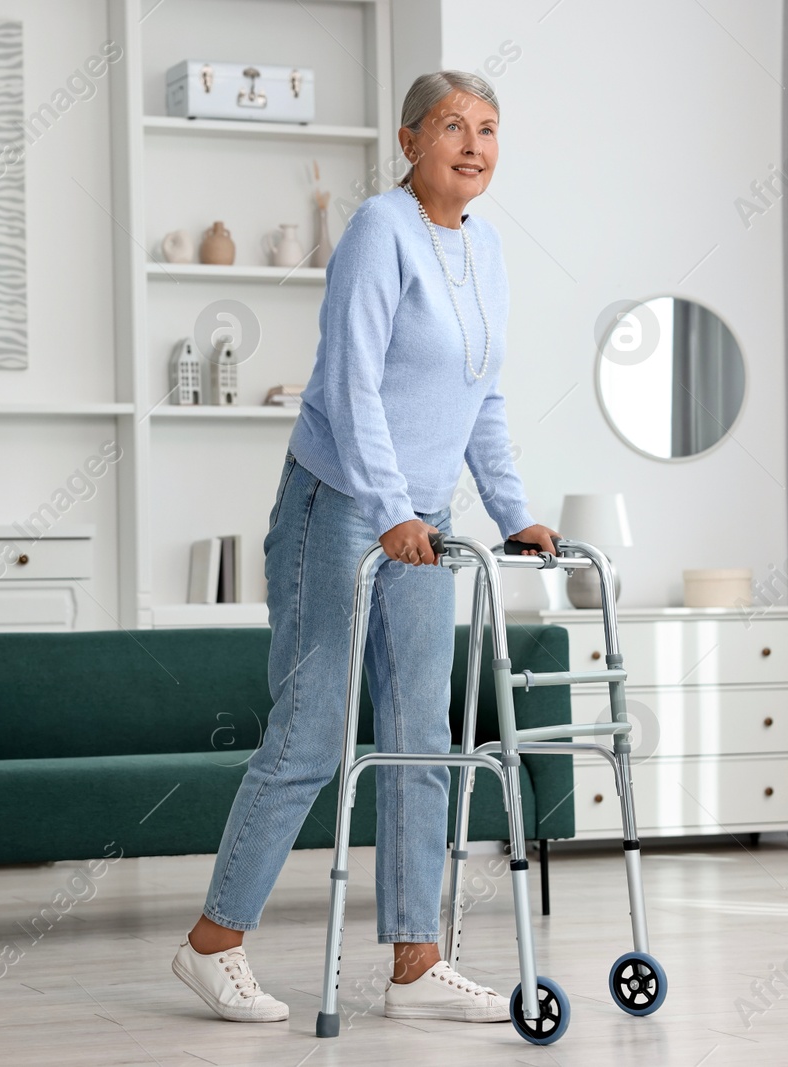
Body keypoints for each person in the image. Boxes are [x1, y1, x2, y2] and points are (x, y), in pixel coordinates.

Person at [171, 69, 559, 1025]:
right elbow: (350, 384)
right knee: (311, 728)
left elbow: (483, 399)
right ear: (408, 140)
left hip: (423, 521)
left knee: (425, 737)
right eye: (452, 127)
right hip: (340, 503)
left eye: (489, 129)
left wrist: (512, 511)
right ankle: (211, 944)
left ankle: (416, 961)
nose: (473, 145)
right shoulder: (380, 233)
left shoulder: (490, 251)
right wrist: (390, 506)